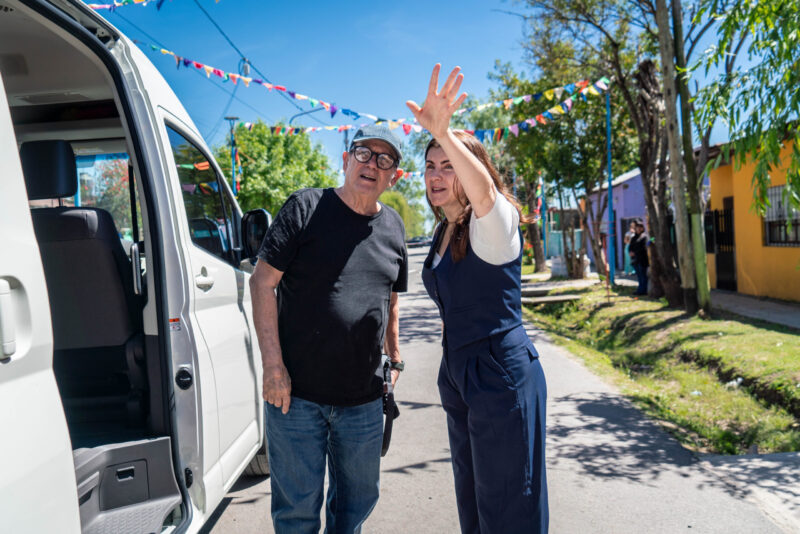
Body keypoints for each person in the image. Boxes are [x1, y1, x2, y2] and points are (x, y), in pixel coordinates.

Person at [406, 64, 548, 534]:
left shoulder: (494, 223)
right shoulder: (444, 230)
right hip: (460, 373)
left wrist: (443, 134)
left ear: (474, 169)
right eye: (430, 166)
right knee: (474, 504)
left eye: (448, 165)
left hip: (499, 374)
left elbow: (484, 194)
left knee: (508, 509)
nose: (436, 175)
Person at [249, 124, 408, 534]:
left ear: (394, 177)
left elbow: (391, 299)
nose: (372, 164)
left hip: (364, 401)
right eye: (363, 153)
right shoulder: (304, 207)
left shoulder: (394, 227)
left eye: (384, 159)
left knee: (354, 510)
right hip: (296, 398)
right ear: (346, 159)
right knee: (297, 515)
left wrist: (394, 357)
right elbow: (262, 283)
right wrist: (272, 368)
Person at [629, 220, 649, 295]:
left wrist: (635, 252)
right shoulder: (634, 238)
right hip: (635, 260)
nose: (639, 229)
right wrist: (630, 252)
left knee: (643, 276)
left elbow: (644, 248)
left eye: (640, 227)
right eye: (637, 227)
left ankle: (643, 290)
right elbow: (630, 246)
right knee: (639, 276)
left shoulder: (645, 237)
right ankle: (640, 289)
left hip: (642, 260)